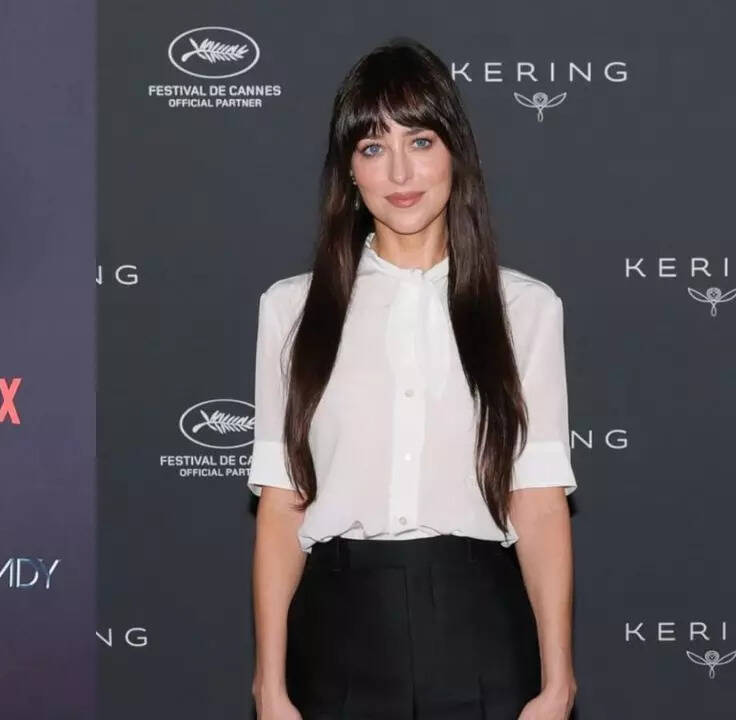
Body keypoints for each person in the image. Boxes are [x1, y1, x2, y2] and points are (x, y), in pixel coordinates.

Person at [249, 38, 577, 720]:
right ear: (350, 171)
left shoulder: (525, 308)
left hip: (482, 632)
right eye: (373, 147)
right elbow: (283, 505)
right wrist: (269, 685)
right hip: (335, 637)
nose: (399, 171)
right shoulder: (291, 309)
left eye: (420, 141)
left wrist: (558, 680)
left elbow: (540, 503)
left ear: (454, 153)